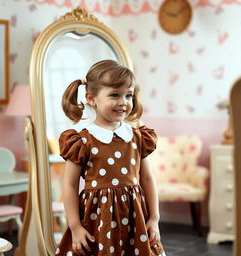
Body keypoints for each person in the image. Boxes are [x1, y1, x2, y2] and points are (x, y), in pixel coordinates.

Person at [55, 59, 166, 256]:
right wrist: (75, 227)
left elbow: (148, 178)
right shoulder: (81, 141)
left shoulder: (138, 137)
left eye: (128, 95)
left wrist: (154, 218)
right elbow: (70, 185)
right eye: (115, 95)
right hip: (98, 218)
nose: (123, 102)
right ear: (91, 99)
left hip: (135, 216)